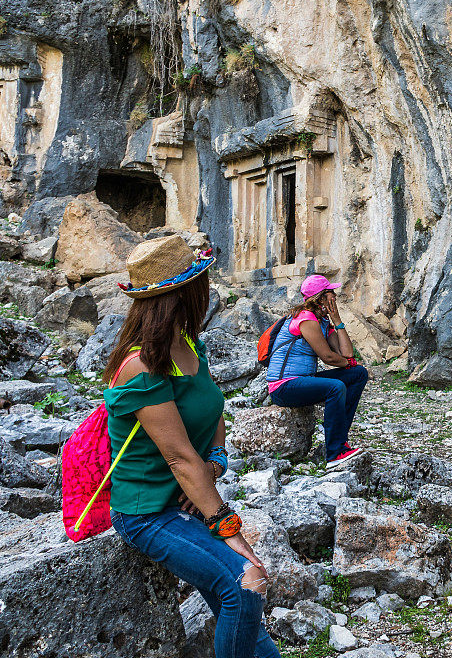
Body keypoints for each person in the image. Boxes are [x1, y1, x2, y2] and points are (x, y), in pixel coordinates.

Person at [103, 234, 280, 658]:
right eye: (201, 283)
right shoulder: (140, 367)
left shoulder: (185, 344)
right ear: (184, 295)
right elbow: (179, 458)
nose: (208, 292)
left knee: (236, 599)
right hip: (148, 513)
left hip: (190, 500)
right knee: (246, 581)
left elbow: (212, 406)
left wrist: (215, 462)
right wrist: (226, 524)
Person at [266, 274, 368, 469]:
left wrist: (337, 320)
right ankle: (335, 453)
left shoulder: (322, 322)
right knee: (336, 387)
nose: (335, 296)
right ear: (321, 298)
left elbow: (346, 352)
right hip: (284, 386)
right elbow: (329, 358)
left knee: (359, 374)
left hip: (303, 381)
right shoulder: (305, 318)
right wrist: (346, 362)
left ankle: (340, 441)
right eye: (331, 293)